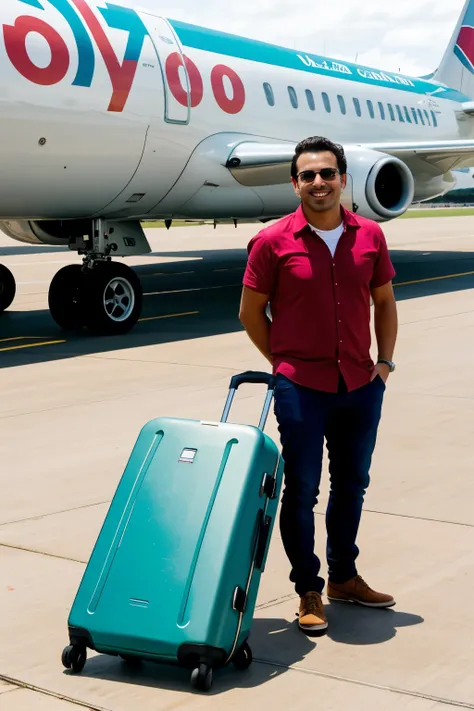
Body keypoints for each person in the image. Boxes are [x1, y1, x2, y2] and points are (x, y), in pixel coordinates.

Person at [239, 136, 398, 635]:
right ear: (295, 183)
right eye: (308, 175)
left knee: (352, 485)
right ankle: (308, 586)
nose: (318, 183)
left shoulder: (370, 236)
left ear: (343, 179)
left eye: (327, 173)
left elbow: (385, 302)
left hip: (359, 383)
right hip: (300, 387)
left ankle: (344, 577)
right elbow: (249, 312)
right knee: (302, 489)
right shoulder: (272, 241)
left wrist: (384, 365)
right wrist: (283, 364)